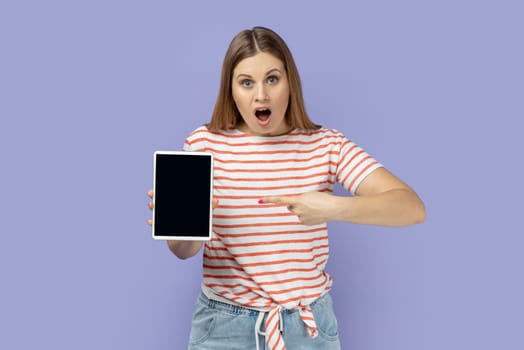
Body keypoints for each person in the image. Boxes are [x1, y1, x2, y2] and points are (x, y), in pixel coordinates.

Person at [147, 26, 425, 350]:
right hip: (223, 329)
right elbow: (182, 252)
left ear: (289, 82)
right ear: (231, 89)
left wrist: (332, 208)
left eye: (272, 79)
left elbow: (411, 207)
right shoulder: (204, 144)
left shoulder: (326, 145)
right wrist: (184, 227)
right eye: (246, 82)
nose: (260, 95)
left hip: (307, 331)